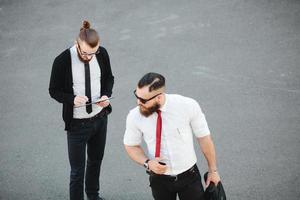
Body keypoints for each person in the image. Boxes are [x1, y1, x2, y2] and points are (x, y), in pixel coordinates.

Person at [123, 72, 221, 200]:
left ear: (158, 97)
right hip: (159, 180)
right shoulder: (134, 116)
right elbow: (131, 145)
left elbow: (204, 138)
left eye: (143, 100)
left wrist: (213, 171)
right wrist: (148, 163)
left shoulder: (187, 105)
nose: (138, 102)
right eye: (137, 95)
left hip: (189, 177)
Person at [49, 20, 114, 200]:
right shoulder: (62, 60)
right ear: (77, 43)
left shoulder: (101, 54)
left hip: (100, 119)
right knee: (77, 171)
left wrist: (106, 95)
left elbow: (109, 78)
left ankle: (93, 196)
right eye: (85, 53)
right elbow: (53, 90)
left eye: (93, 53)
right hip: (77, 125)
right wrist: (71, 99)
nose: (89, 57)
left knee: (95, 161)